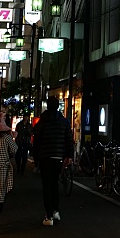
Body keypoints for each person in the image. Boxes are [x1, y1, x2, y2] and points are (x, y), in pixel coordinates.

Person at [31, 97, 71, 226]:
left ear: (47, 106)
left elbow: (36, 141)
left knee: (47, 186)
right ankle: (55, 211)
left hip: (45, 157)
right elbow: (68, 140)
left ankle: (49, 215)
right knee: (54, 184)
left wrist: (35, 158)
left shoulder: (42, 122)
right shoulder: (64, 122)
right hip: (58, 157)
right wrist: (68, 156)